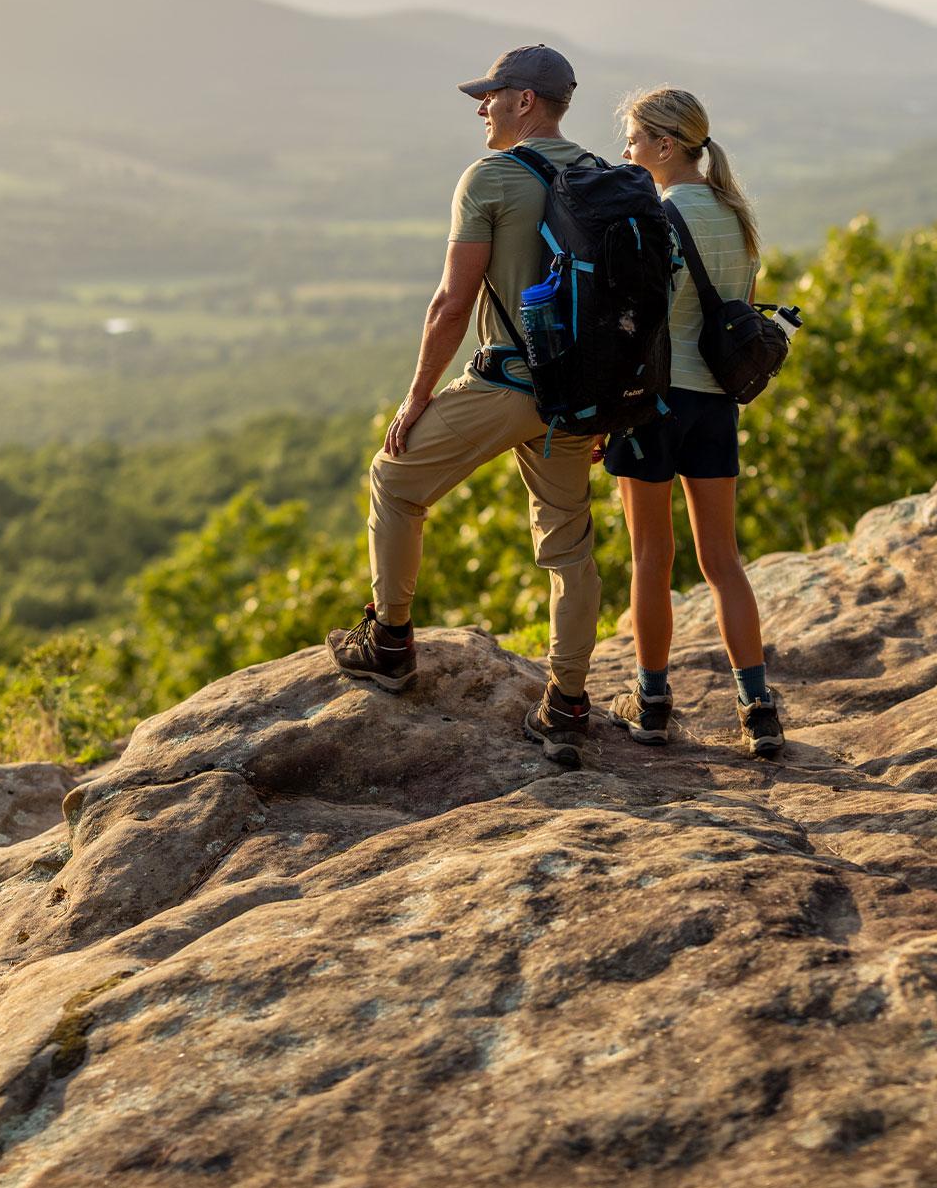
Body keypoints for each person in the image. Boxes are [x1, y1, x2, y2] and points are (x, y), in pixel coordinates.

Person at [326, 44, 605, 768]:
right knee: (569, 547)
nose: (482, 108)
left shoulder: (492, 176)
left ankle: (389, 643)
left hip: (509, 384)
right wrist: (611, 401)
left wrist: (417, 396)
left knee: (394, 478)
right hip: (579, 395)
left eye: (493, 94)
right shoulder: (605, 176)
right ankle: (568, 705)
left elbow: (453, 301)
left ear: (525, 101)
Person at [603, 86, 784, 758]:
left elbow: (639, 323)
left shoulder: (660, 215)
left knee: (651, 557)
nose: (625, 151)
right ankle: (757, 707)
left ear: (664, 145)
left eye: (632, 139)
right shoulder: (735, 215)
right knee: (723, 561)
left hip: (653, 399)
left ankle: (652, 703)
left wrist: (604, 414)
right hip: (713, 404)